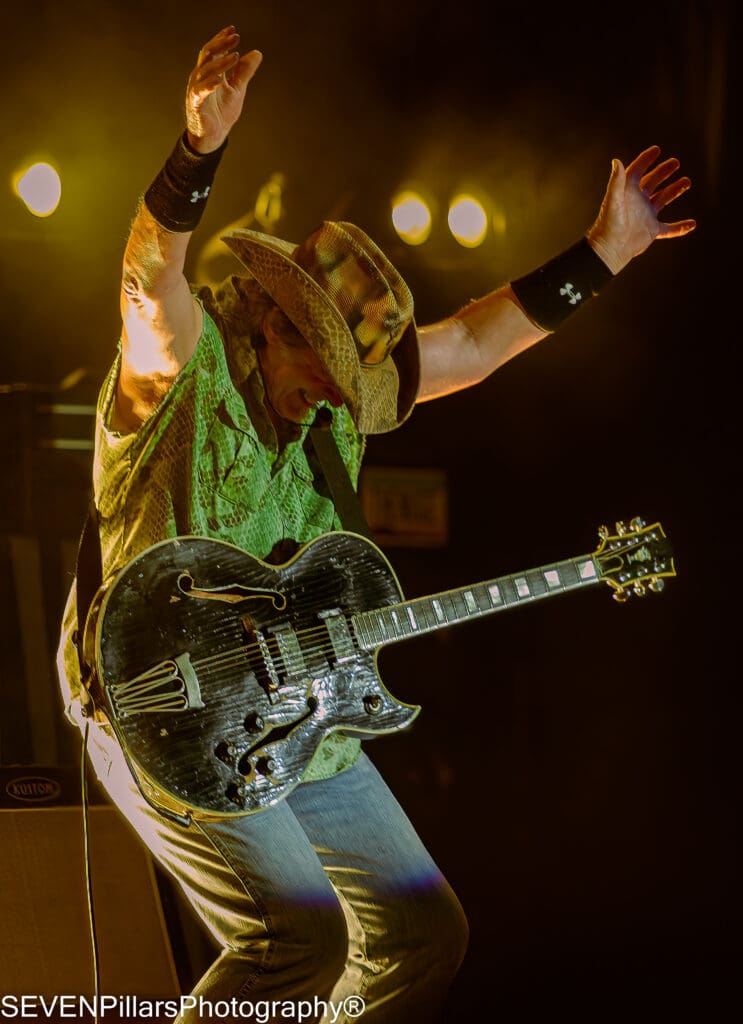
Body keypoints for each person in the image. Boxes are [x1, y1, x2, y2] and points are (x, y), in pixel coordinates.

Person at [56, 23, 695, 1024]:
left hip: (290, 706)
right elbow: (147, 280)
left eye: (352, 380)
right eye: (325, 368)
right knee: (294, 939)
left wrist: (604, 252)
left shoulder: (340, 408)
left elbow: (475, 342)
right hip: (156, 693)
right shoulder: (184, 364)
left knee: (420, 934)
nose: (342, 399)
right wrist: (197, 149)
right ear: (274, 319)